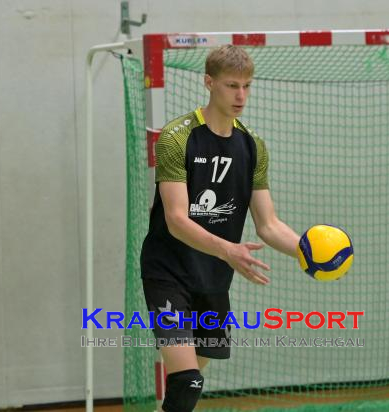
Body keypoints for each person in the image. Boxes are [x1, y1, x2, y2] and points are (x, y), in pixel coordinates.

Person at [140, 44, 300, 412]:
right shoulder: (177, 137)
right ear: (209, 82)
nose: (241, 95)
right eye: (232, 86)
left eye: (247, 86)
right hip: (168, 271)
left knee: (185, 394)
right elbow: (177, 220)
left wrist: (307, 252)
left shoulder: (253, 146)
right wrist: (230, 250)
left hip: (212, 278)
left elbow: (269, 224)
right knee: (187, 380)